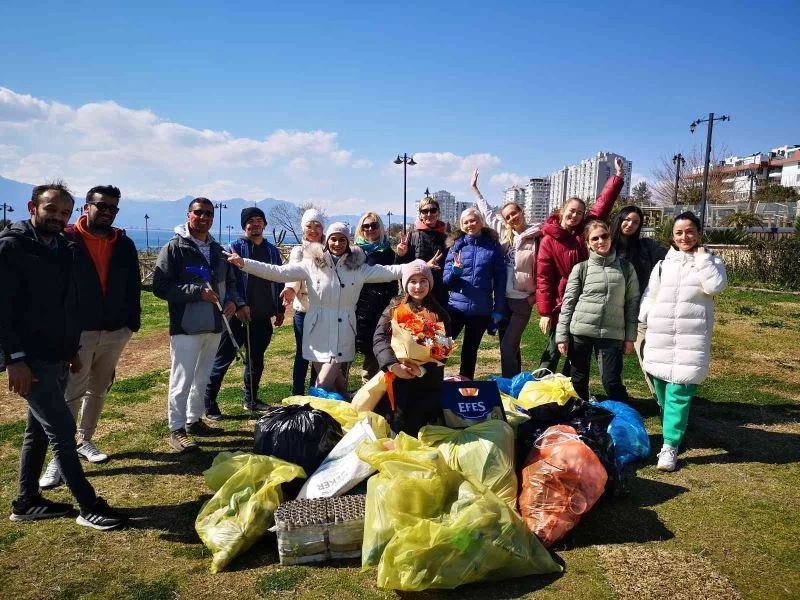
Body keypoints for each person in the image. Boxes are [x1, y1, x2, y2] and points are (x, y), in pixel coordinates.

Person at [0, 182, 125, 530]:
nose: (57, 217)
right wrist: (14, 359)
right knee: (62, 429)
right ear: (32, 208)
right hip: (30, 359)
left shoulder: (62, 247)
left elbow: (66, 305)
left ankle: (26, 501)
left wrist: (71, 350)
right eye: (50, 209)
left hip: (57, 354)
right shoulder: (11, 248)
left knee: (37, 432)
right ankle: (88, 505)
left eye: (63, 213)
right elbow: (4, 311)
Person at [37, 185, 142, 490]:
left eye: (112, 207)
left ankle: (85, 440)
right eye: (101, 205)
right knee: (71, 393)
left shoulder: (123, 243)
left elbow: (133, 284)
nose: (107, 211)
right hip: (78, 332)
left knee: (99, 389)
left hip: (115, 331)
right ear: (87, 207)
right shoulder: (66, 239)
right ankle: (60, 458)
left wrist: (130, 323)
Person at [226, 222, 405, 397]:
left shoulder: (358, 268)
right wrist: (244, 263)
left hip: (344, 330)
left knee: (321, 384)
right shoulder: (311, 265)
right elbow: (277, 272)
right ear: (327, 240)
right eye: (333, 239)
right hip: (317, 329)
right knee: (337, 384)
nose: (337, 244)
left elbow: (390, 271)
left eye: (342, 240)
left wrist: (420, 267)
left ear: (348, 242)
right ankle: (346, 404)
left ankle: (313, 409)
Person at [639, 212, 727, 472]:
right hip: (660, 335)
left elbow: (716, 287)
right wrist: (644, 318)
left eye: (689, 231)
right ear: (672, 236)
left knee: (679, 392)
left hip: (690, 339)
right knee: (663, 390)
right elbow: (650, 295)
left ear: (699, 233)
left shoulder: (711, 262)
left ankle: (670, 446)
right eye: (679, 233)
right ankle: (673, 431)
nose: (684, 237)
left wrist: (702, 259)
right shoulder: (663, 265)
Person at [152, 198, 241, 452]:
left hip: (215, 325)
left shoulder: (217, 249)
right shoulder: (174, 248)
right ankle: (177, 428)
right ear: (188, 215)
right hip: (186, 327)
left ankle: (194, 419)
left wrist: (233, 301)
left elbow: (231, 281)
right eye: (198, 213)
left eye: (208, 214)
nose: (204, 217)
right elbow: (160, 286)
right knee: (182, 378)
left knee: (201, 377)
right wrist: (196, 292)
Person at [536, 157, 625, 374]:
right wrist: (546, 312)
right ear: (561, 211)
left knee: (577, 345)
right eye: (571, 211)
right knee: (557, 341)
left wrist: (617, 178)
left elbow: (602, 205)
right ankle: (540, 380)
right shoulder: (549, 239)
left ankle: (569, 385)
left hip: (587, 296)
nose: (575, 215)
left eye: (579, 212)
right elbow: (544, 278)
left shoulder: (585, 230)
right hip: (563, 299)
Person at [203, 207, 284, 418]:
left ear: (264, 224)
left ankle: (251, 399)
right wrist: (239, 305)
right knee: (223, 359)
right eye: (250, 221)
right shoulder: (234, 248)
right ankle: (208, 402)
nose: (255, 224)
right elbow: (228, 282)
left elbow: (279, 279)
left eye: (259, 220)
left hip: (262, 316)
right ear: (244, 225)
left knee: (256, 360)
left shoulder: (272, 251)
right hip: (237, 317)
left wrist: (280, 309)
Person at [556, 220, 639, 402]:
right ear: (588, 243)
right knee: (578, 381)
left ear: (610, 237)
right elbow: (568, 303)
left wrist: (630, 337)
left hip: (612, 333)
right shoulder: (581, 268)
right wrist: (562, 336)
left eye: (604, 236)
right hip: (580, 333)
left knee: (612, 382)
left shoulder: (626, 268)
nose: (601, 241)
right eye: (595, 238)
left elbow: (632, 304)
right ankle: (578, 420)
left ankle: (624, 423)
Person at [471, 169, 542, 377]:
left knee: (507, 347)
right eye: (508, 216)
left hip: (522, 301)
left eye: (515, 213)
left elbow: (545, 271)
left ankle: (509, 388)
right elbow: (487, 214)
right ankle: (514, 380)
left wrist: (533, 297)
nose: (512, 218)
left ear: (522, 211)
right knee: (509, 345)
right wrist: (475, 189)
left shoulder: (538, 236)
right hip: (503, 299)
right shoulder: (505, 235)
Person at [373, 260, 451, 436]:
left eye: (423, 281)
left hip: (427, 385)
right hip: (397, 379)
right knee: (396, 427)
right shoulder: (394, 309)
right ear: (405, 283)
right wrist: (393, 366)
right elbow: (380, 338)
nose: (418, 286)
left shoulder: (439, 314)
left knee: (421, 430)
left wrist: (422, 369)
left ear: (430, 284)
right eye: (413, 281)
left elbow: (443, 352)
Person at [610, 206, 668, 396]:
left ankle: (661, 400)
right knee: (611, 361)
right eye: (626, 219)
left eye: (636, 222)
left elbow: (670, 259)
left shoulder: (646, 246)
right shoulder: (607, 245)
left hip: (639, 312)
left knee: (648, 356)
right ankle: (617, 398)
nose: (630, 225)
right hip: (614, 311)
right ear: (619, 219)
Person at [443, 207, 506, 379]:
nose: (470, 224)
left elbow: (500, 281)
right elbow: (446, 281)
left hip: (480, 310)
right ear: (462, 225)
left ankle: (465, 387)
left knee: (470, 353)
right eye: (466, 222)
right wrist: (455, 272)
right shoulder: (456, 246)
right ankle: (434, 386)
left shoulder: (493, 248)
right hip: (455, 308)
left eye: (474, 220)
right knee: (441, 349)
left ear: (481, 222)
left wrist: (498, 309)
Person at [280, 208, 324, 395]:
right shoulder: (298, 251)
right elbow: (293, 274)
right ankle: (297, 393)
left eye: (317, 226)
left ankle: (316, 391)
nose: (313, 230)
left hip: (323, 311)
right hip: (304, 311)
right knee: (303, 354)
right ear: (302, 229)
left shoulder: (328, 249)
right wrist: (290, 290)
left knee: (320, 355)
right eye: (309, 226)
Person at [354, 212, 398, 383]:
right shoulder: (354, 252)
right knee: (347, 348)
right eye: (366, 226)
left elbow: (395, 277)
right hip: (357, 305)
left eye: (374, 225)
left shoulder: (389, 252)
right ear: (361, 229)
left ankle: (370, 384)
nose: (370, 229)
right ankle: (339, 387)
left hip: (381, 307)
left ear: (381, 227)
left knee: (375, 346)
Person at [395, 195, 448, 308]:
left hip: (440, 297)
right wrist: (400, 255)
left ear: (438, 212)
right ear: (420, 215)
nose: (429, 214)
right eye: (425, 211)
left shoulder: (446, 239)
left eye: (433, 210)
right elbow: (401, 269)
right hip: (417, 296)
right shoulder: (412, 237)